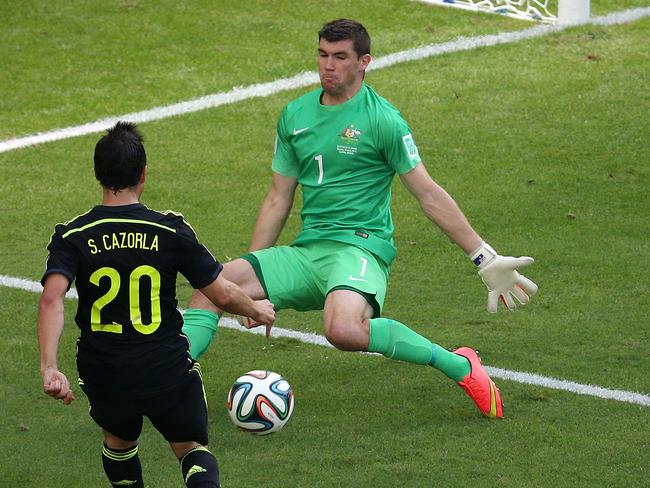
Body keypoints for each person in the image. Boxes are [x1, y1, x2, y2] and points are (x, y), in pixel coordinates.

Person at [182, 19, 538, 419]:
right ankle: (167, 377)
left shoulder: (383, 120)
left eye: (339, 57)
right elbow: (278, 198)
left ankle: (461, 365)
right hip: (308, 251)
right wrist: (246, 292)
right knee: (213, 286)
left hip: (359, 248)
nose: (327, 66)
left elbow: (428, 194)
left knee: (344, 331)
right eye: (322, 55)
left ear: (364, 61)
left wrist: (483, 257)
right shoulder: (294, 115)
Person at [37, 121, 275, 488]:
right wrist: (257, 309)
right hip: (163, 368)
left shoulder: (72, 236)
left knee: (119, 442)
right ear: (143, 173)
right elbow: (221, 292)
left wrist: (50, 367)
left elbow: (52, 298)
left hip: (104, 372)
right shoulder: (169, 231)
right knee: (190, 449)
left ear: (98, 174)